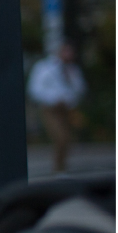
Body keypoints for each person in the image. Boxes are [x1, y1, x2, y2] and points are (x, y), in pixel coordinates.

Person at [27, 43, 87, 173]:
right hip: (50, 109)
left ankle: (61, 168)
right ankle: (58, 169)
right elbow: (35, 89)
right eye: (66, 51)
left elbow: (80, 89)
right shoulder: (44, 67)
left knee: (68, 139)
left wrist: (69, 100)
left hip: (67, 110)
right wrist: (53, 99)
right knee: (61, 137)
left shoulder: (73, 70)